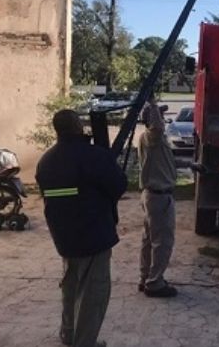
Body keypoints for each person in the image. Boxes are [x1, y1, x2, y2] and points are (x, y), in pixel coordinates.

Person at [36, 109, 127, 347]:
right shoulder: (93, 156)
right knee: (93, 294)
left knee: (71, 286)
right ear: (77, 126)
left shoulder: (46, 160)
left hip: (64, 236)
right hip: (93, 234)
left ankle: (69, 334)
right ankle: (84, 342)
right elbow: (118, 186)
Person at [138, 102, 196, 297]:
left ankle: (146, 277)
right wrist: (152, 103)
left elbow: (167, 160)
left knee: (149, 240)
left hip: (152, 196)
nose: (163, 119)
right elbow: (156, 126)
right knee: (162, 242)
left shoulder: (154, 141)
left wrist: (192, 165)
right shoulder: (152, 137)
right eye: (159, 116)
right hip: (159, 197)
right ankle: (154, 283)